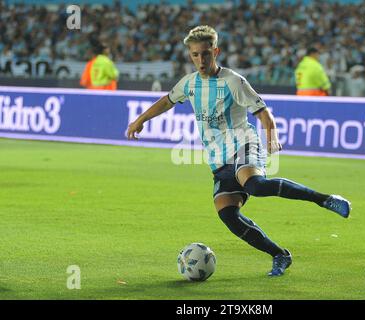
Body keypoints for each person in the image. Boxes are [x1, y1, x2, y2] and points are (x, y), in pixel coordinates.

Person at [127, 26, 351, 277]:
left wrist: (271, 137)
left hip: (244, 144)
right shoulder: (189, 84)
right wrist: (141, 119)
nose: (201, 60)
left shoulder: (233, 81)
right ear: (190, 56)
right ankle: (280, 255)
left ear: (216, 52)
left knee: (255, 185)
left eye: (205, 54)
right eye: (195, 55)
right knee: (228, 215)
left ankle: (325, 199)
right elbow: (167, 100)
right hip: (218, 160)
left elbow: (263, 112)